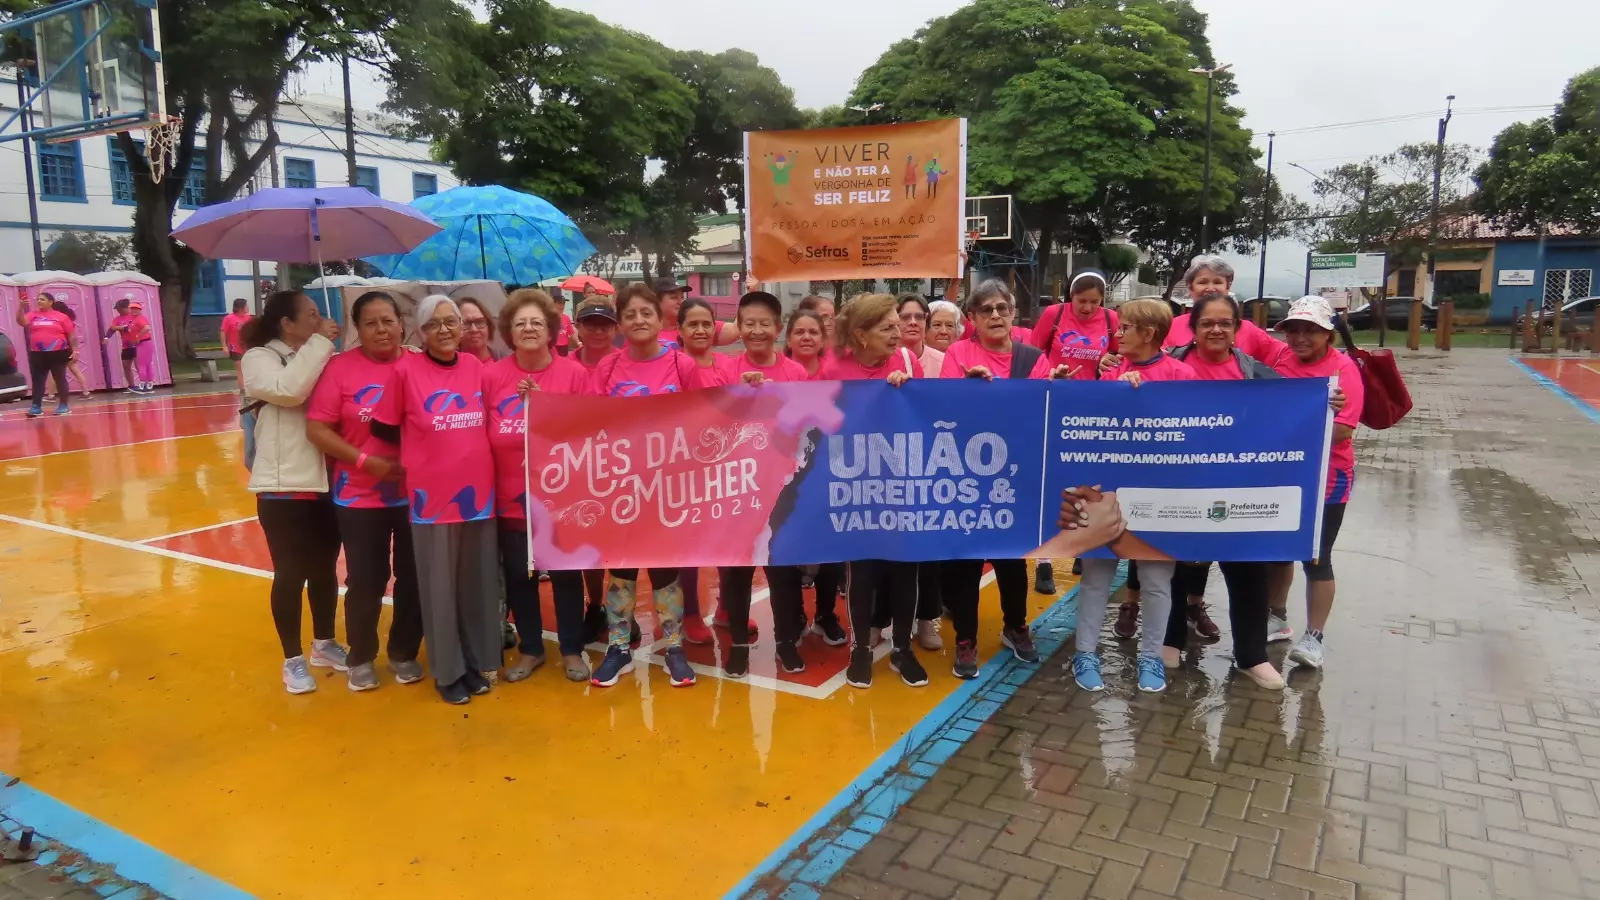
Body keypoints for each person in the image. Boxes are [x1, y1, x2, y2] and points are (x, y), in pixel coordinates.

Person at [366, 295, 500, 705]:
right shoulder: (405, 371)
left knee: (475, 586)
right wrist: (423, 449)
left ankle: (475, 663)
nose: (444, 330)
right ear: (421, 332)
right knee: (440, 589)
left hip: (479, 495)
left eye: (452, 322)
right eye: (434, 324)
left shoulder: (477, 368)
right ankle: (448, 671)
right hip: (432, 498)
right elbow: (384, 427)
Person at [1161, 292, 1289, 690]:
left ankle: (1252, 655)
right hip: (1180, 485)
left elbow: (1295, 411)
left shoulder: (1259, 375)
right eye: (1207, 323)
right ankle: (1169, 641)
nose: (1216, 329)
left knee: (1247, 570)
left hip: (1240, 488)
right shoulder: (1169, 367)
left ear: (1237, 328)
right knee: (1175, 567)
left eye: (1225, 323)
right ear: (1193, 328)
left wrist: (1326, 404)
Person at [588, 284, 710, 689]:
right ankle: (619, 648)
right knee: (620, 574)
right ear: (620, 323)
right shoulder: (606, 368)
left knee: (665, 573)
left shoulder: (682, 366)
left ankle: (673, 647)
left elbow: (705, 416)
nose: (639, 320)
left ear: (661, 321)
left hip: (667, 489)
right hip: (621, 490)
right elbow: (585, 423)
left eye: (647, 313)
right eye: (631, 314)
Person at [1072, 298, 1193, 695]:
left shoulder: (1181, 374)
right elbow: (1090, 426)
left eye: (1125, 328)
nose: (1117, 333)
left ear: (1150, 334)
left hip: (1161, 495)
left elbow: (1196, 428)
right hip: (1109, 495)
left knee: (1158, 580)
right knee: (1096, 577)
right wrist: (1117, 397)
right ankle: (1085, 652)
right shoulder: (1111, 375)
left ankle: (1150, 656)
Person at [304, 290, 424, 692]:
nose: (381, 329)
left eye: (388, 320)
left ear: (402, 323)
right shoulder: (340, 369)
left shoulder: (419, 364)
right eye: (370, 323)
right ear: (358, 329)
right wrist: (364, 461)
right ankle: (361, 656)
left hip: (415, 495)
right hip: (358, 495)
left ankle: (404, 652)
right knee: (367, 579)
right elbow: (317, 428)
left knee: (413, 577)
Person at [938, 279, 1058, 678]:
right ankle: (966, 639)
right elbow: (944, 410)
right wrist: (967, 392)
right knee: (966, 563)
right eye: (985, 309)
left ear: (1012, 314)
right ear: (971, 318)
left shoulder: (1033, 358)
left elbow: (1041, 409)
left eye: (1001, 308)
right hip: (968, 473)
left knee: (1011, 557)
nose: (994, 315)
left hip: (1015, 470)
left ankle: (1015, 626)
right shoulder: (958, 353)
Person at [483, 289, 594, 683]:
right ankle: (531, 648)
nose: (528, 329)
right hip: (509, 500)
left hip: (561, 499)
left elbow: (589, 433)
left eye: (536, 323)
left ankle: (571, 649)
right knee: (519, 575)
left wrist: (546, 408)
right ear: (508, 333)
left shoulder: (574, 375)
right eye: (519, 324)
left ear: (551, 330)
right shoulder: (492, 376)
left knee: (565, 574)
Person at [239, 290, 343, 694]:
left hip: (327, 481)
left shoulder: (319, 357)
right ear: (287, 323)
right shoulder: (259, 358)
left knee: (325, 569)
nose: (319, 322)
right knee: (290, 573)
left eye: (320, 317)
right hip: (283, 486)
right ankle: (293, 659)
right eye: (312, 316)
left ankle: (325, 643)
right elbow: (289, 390)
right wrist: (321, 343)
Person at [822, 293, 928, 689]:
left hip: (901, 480)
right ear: (861, 335)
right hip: (855, 485)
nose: (898, 333)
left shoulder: (906, 361)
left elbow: (927, 413)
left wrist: (908, 389)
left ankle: (902, 649)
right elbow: (817, 420)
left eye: (898, 324)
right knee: (860, 571)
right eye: (887, 327)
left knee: (906, 568)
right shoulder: (834, 367)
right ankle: (860, 650)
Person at [713, 291, 814, 676]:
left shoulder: (796, 373)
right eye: (748, 323)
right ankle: (738, 642)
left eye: (764, 323)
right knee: (736, 570)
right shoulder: (726, 370)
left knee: (782, 571)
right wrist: (740, 396)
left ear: (778, 328)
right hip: (737, 487)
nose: (756, 330)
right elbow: (713, 427)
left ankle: (786, 643)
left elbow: (805, 427)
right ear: (739, 327)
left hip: (782, 488)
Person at [1267, 296, 1364, 670]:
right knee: (1278, 550)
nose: (1302, 337)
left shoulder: (1343, 369)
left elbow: (1342, 430)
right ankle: (1276, 618)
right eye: (1295, 329)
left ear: (1328, 335)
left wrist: (1287, 432)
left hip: (1328, 477)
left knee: (1316, 557)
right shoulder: (1280, 362)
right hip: (1282, 472)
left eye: (1312, 330)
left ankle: (1315, 637)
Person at [1156, 256, 1282, 362]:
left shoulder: (1247, 330)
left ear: (1228, 287)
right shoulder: (1170, 327)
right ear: (1190, 287)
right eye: (1203, 282)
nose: (1210, 288)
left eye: (1217, 282)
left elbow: (1283, 354)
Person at [17, 292, 75, 418]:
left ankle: (64, 406)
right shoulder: (33, 315)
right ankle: (36, 407)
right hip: (37, 354)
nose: (39, 301)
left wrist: (75, 351)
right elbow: (21, 322)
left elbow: (72, 335)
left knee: (59, 378)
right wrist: (21, 308)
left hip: (58, 353)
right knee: (38, 380)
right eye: (38, 299)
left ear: (50, 302)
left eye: (42, 299)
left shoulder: (61, 317)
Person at [656, 278, 738, 349]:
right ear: (656, 301)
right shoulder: (648, 332)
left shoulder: (700, 325)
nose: (680, 301)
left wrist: (750, 294)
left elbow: (736, 330)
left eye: (682, 297)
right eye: (673, 297)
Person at [676, 297, 736, 381]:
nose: (700, 331)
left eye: (706, 324)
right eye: (693, 324)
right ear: (680, 329)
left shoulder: (728, 365)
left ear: (714, 328)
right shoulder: (672, 367)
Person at [104, 299, 155, 394]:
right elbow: (112, 328)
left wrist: (121, 328)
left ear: (126, 308)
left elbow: (131, 328)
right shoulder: (117, 319)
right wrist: (107, 337)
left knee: (139, 365)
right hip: (126, 345)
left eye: (120, 309)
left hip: (137, 344)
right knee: (126, 366)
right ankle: (131, 386)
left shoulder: (134, 317)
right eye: (117, 309)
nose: (118, 311)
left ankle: (145, 385)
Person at [51, 300, 92, 400]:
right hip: (69, 348)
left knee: (55, 372)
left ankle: (51, 395)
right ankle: (86, 392)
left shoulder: (60, 321)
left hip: (62, 349)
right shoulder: (68, 320)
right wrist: (75, 350)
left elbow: (70, 337)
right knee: (76, 371)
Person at [897, 294, 945, 378]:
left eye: (919, 317)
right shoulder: (880, 361)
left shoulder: (943, 362)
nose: (913, 322)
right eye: (905, 317)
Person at [784, 308, 829, 379]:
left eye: (813, 332)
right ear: (788, 339)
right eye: (799, 332)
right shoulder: (777, 370)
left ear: (822, 340)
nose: (806, 337)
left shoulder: (833, 371)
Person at [571, 302, 618, 369]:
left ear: (616, 329)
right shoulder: (565, 367)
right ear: (578, 326)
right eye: (590, 324)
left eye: (605, 325)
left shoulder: (626, 364)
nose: (598, 332)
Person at [457, 296, 498, 363]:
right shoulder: (448, 370)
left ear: (489, 325)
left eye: (479, 322)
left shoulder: (506, 362)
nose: (474, 329)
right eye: (466, 323)